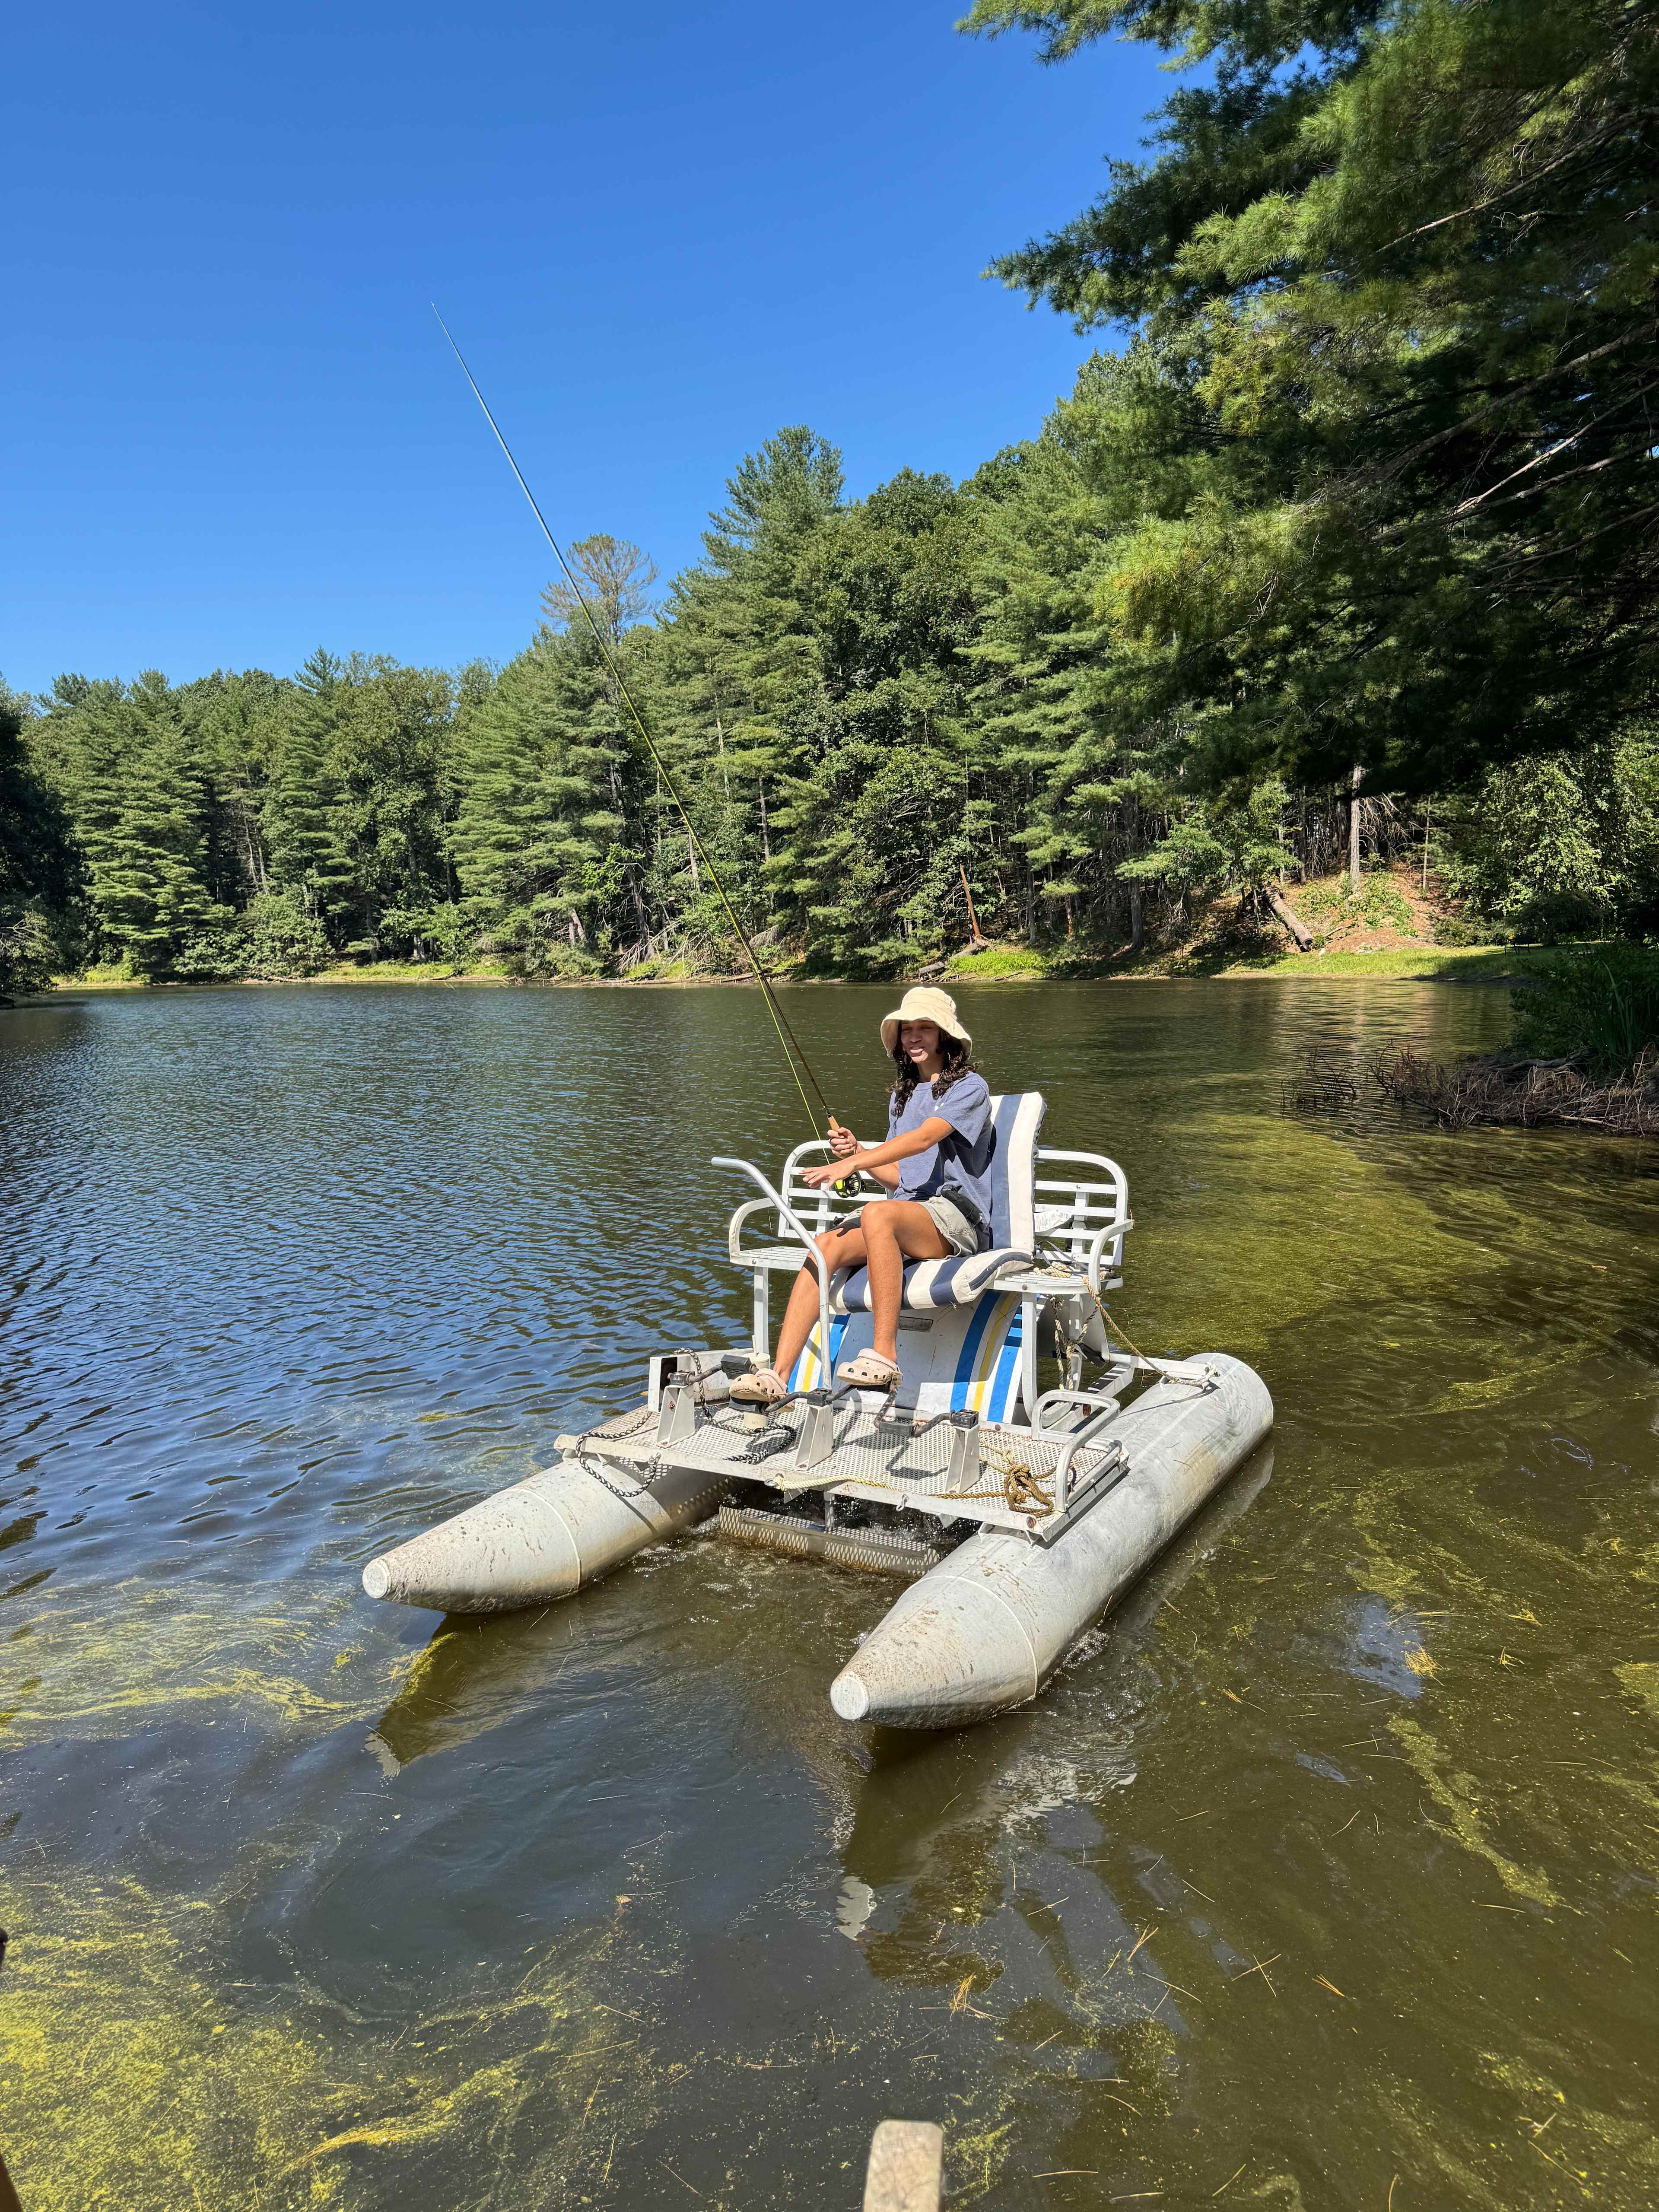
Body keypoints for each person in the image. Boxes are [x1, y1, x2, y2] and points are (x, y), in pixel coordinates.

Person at [731, 987, 995, 1405]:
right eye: (907, 1030)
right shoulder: (902, 1096)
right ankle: (777, 1376)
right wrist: (860, 1153)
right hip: (910, 1214)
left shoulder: (969, 1088)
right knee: (824, 1247)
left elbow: (925, 1140)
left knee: (877, 1215)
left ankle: (885, 1356)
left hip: (957, 1218)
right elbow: (899, 1177)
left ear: (945, 1037)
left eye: (924, 1028)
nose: (914, 1037)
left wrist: (853, 1165)